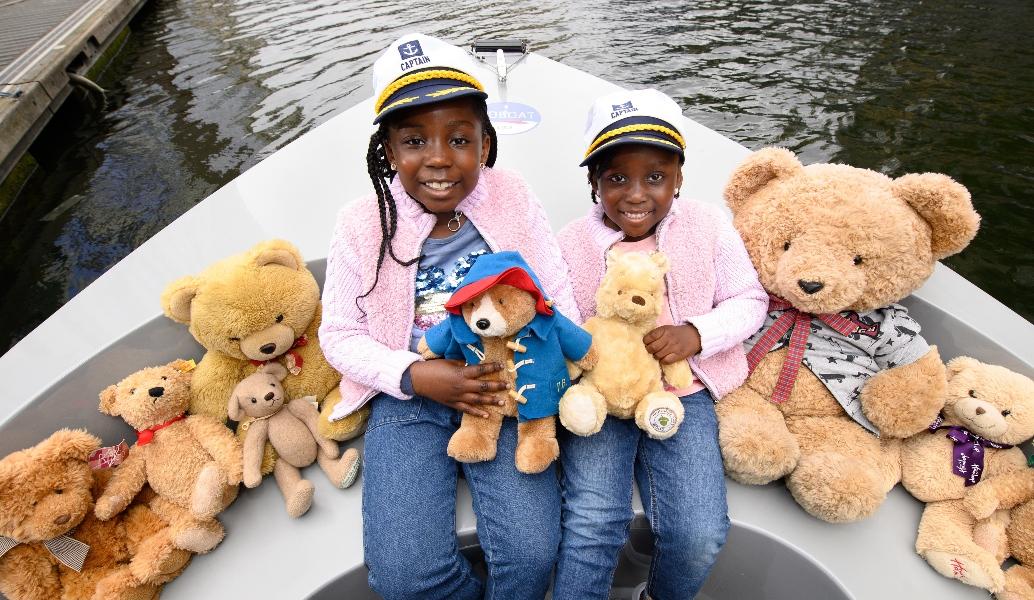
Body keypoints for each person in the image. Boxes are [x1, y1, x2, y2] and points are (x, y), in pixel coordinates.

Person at [318, 32, 578, 600]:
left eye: (459, 139)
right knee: (407, 579)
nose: (438, 158)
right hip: (409, 395)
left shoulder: (512, 195)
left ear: (485, 144)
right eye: (414, 140)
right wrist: (414, 374)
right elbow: (338, 333)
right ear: (388, 150)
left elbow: (554, 289)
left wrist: (571, 364)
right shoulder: (363, 222)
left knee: (533, 553)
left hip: (504, 388)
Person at [553, 88, 769, 600]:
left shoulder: (708, 226)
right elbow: (556, 319)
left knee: (699, 532)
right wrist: (589, 356)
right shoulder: (569, 244)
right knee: (592, 522)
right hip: (601, 396)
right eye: (616, 178)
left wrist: (696, 334)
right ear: (594, 182)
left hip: (681, 395)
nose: (635, 194)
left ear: (679, 178)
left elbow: (749, 300)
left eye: (655, 177)